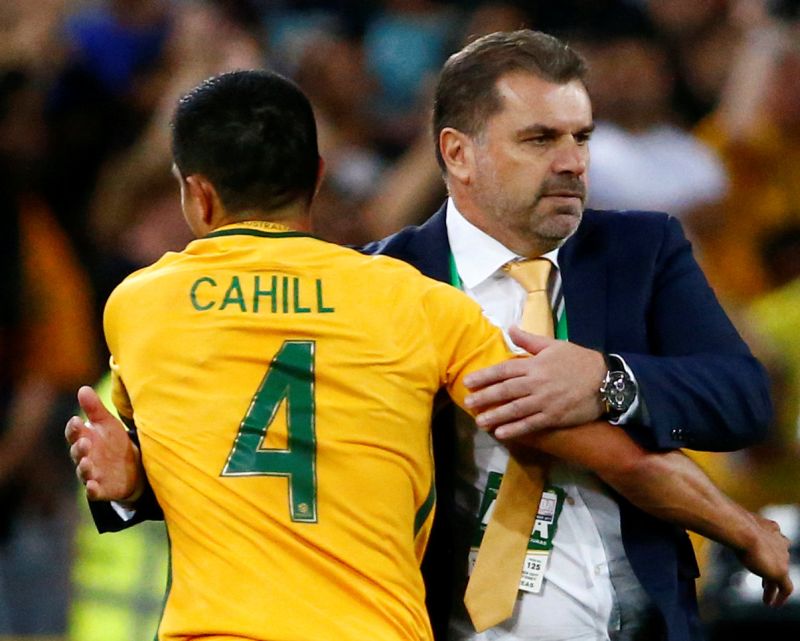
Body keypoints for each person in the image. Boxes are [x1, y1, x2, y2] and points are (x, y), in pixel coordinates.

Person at [67, 61, 788, 640]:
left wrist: (133, 484)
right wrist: (741, 527)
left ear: (196, 196)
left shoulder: (140, 306)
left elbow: (231, 452)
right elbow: (612, 453)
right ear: (318, 179)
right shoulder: (411, 299)